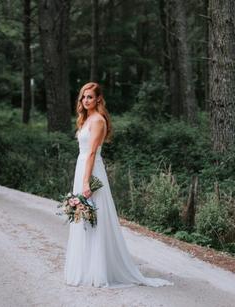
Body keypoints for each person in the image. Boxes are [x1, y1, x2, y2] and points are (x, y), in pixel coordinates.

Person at [64, 82, 173, 288]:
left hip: (91, 170)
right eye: (83, 97)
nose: (86, 100)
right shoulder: (85, 119)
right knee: (83, 218)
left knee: (95, 217)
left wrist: (86, 181)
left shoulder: (97, 120)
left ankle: (99, 269)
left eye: (89, 97)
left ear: (98, 99)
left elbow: (92, 153)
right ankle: (86, 267)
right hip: (82, 168)